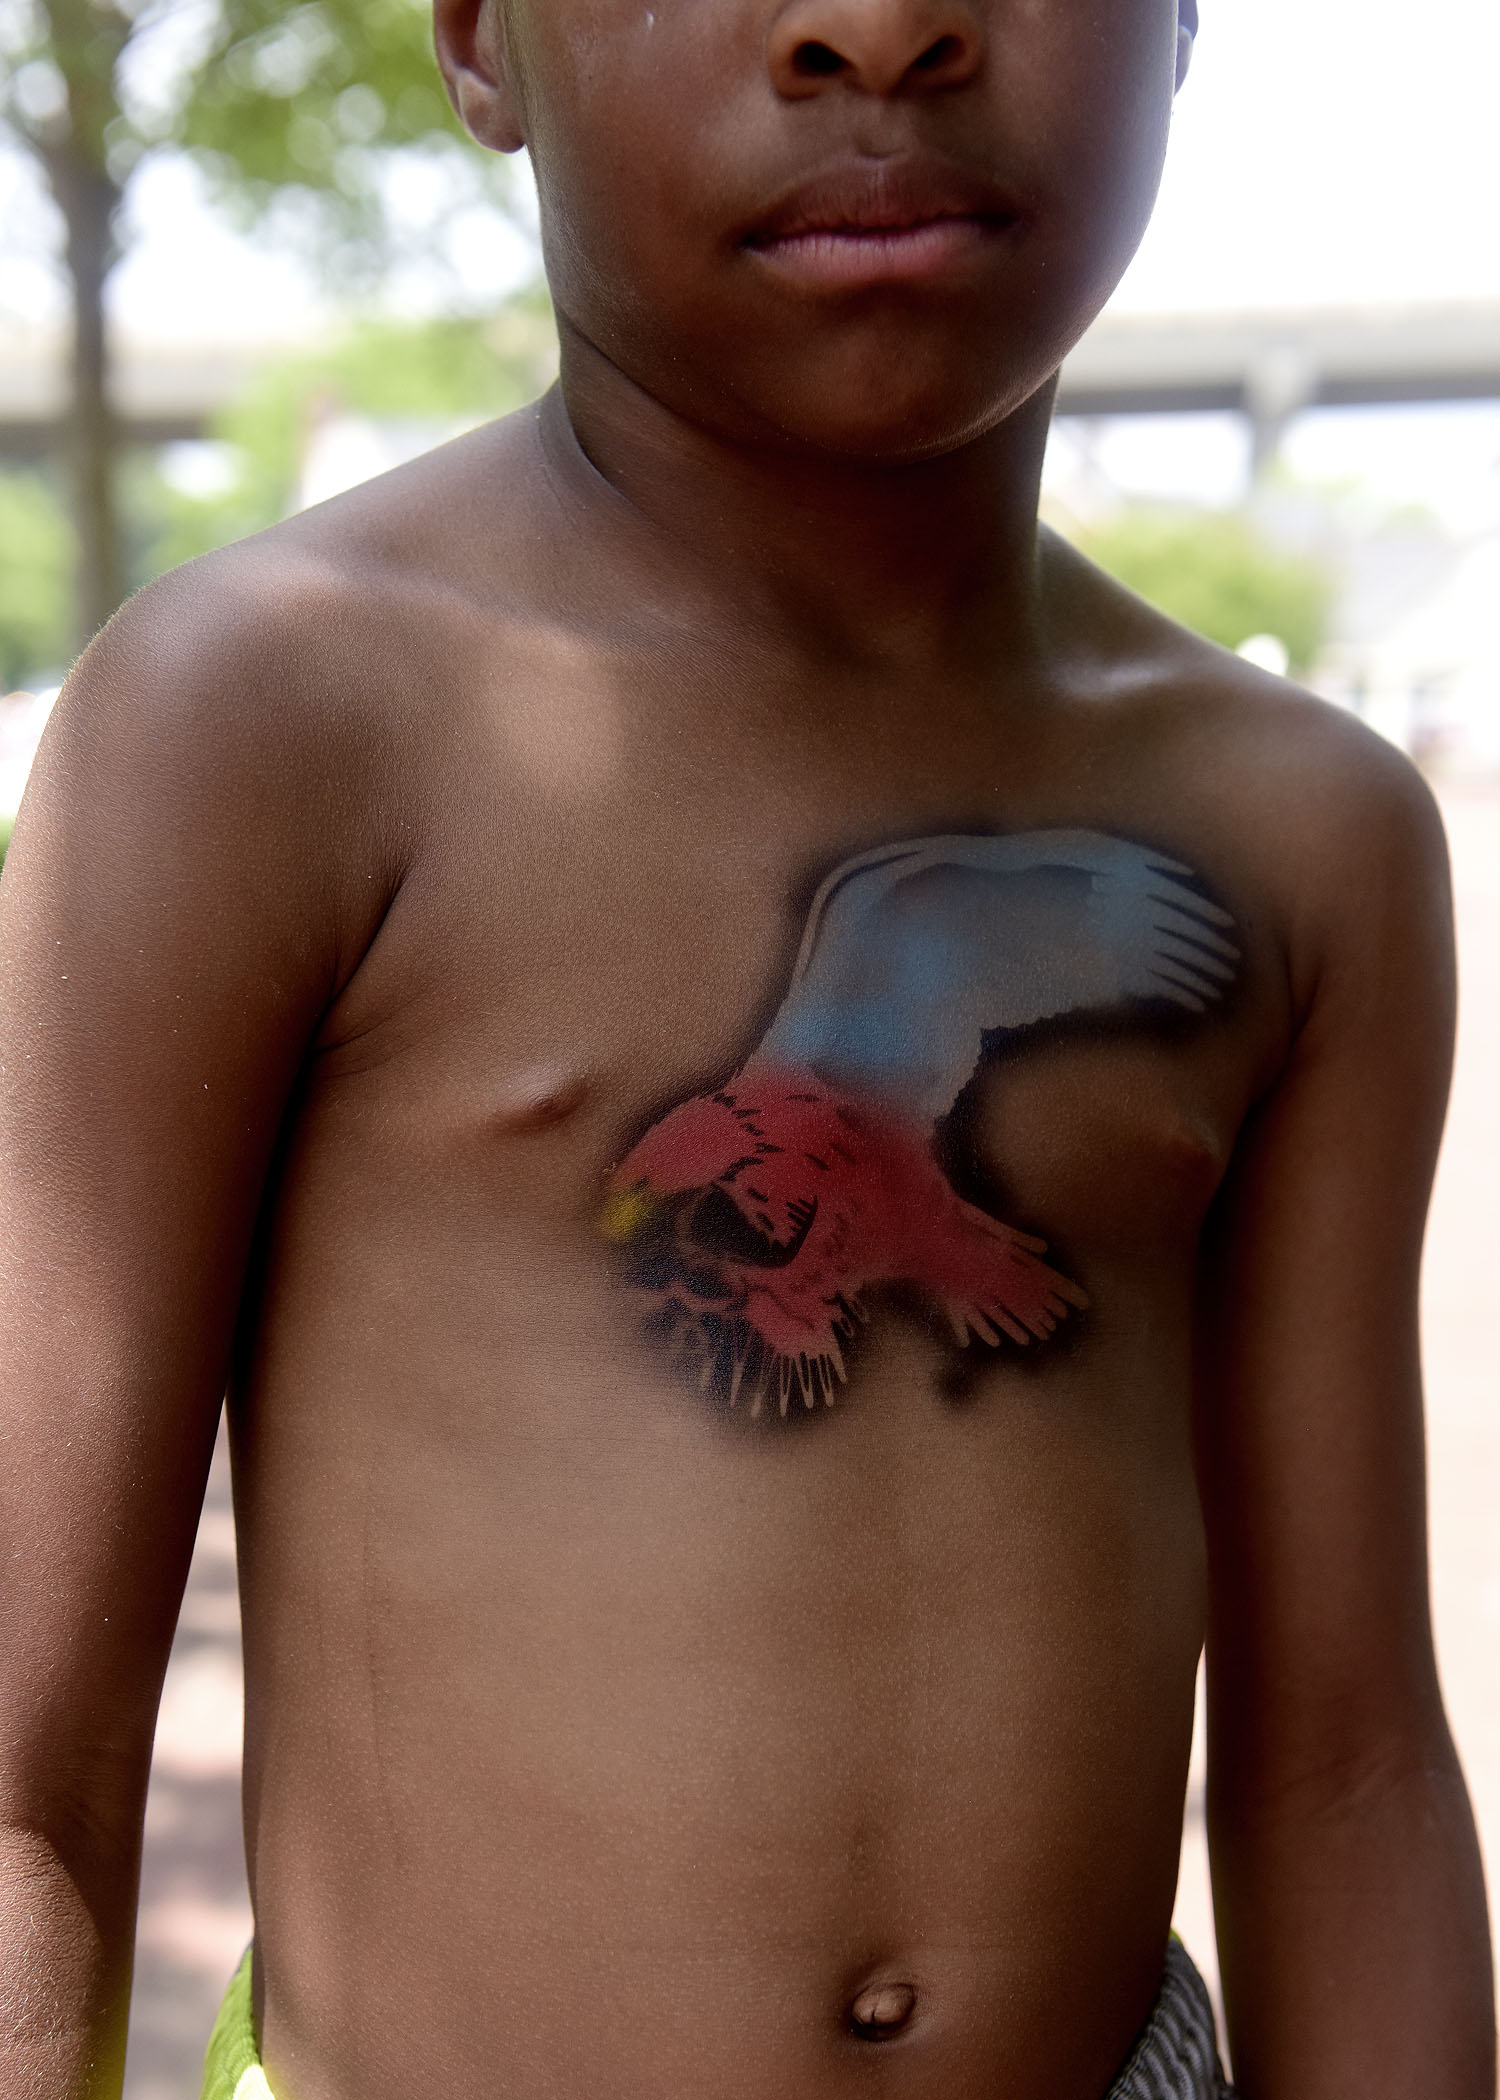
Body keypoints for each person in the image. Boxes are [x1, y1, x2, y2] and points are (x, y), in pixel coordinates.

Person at [0, 0, 1493, 2093]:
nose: (874, 27)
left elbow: (1342, 1771)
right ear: (478, 44)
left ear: (1182, 28)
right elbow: (19, 1783)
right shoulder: (269, 724)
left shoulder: (1302, 838)